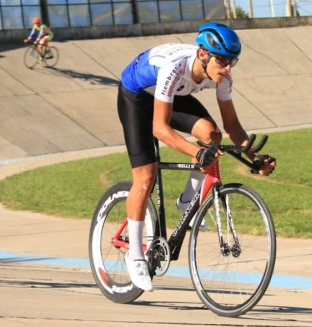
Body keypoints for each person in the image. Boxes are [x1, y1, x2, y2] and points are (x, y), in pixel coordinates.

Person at [116, 22, 277, 291]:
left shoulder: (223, 77)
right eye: (223, 60)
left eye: (232, 61)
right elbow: (159, 128)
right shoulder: (175, 67)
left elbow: (232, 127)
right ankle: (135, 255)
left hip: (171, 95)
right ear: (204, 54)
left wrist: (255, 156)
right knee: (145, 177)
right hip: (137, 96)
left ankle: (187, 200)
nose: (227, 68)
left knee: (212, 136)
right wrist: (197, 152)